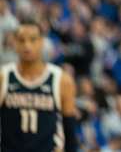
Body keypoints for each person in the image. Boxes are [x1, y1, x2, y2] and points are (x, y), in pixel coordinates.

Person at [0, 18, 79, 152]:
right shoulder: (3, 77)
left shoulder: (62, 80)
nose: (27, 45)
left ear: (42, 42)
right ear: (14, 43)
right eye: (21, 40)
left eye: (32, 39)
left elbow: (70, 133)